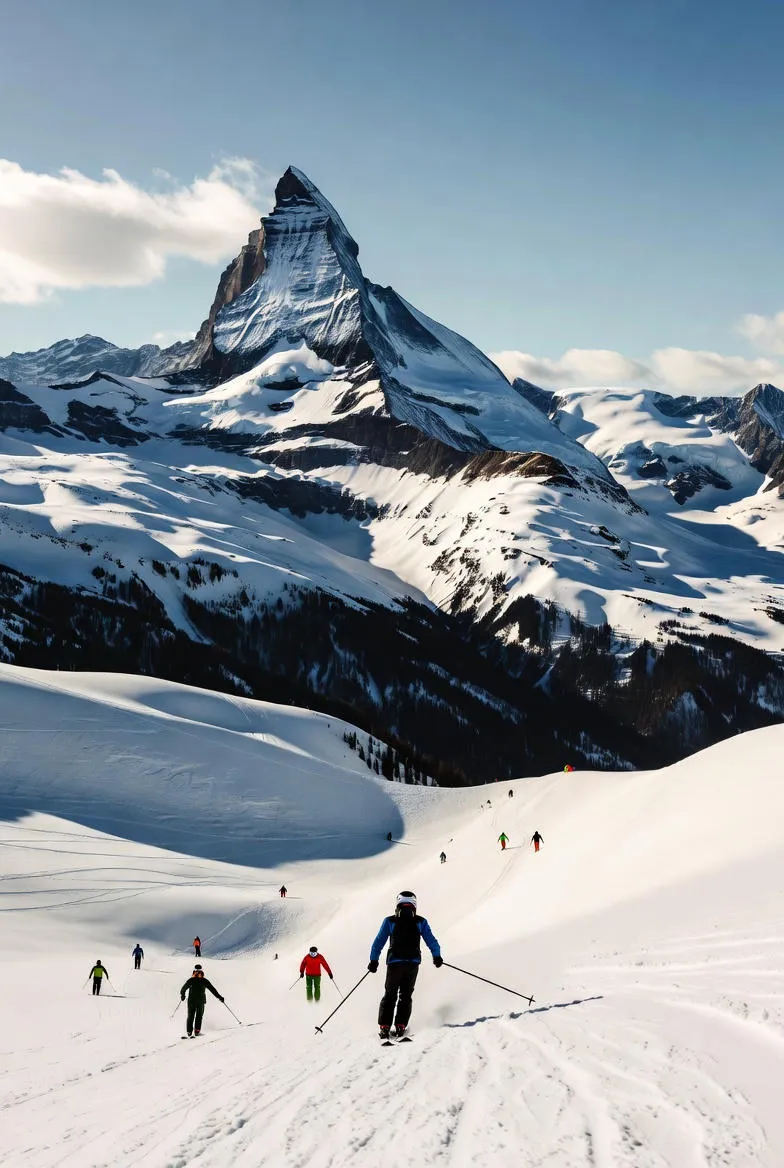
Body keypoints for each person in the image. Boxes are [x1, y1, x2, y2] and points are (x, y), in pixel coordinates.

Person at [367, 891, 442, 1040]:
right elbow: (431, 940)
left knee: (390, 994)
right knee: (406, 995)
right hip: (412, 964)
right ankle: (400, 1026)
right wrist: (437, 956)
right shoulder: (421, 921)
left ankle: (384, 1027)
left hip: (394, 963)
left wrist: (373, 961)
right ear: (414, 904)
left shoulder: (390, 921)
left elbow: (378, 942)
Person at [179, 964, 224, 1037]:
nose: (198, 973)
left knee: (191, 1016)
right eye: (197, 971)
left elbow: (183, 989)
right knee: (198, 1016)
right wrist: (219, 997)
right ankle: (196, 1031)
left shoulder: (191, 980)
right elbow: (213, 990)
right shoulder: (203, 980)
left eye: (198, 971)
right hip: (200, 1001)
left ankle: (189, 1031)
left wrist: (183, 995)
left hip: (192, 1001)